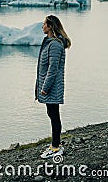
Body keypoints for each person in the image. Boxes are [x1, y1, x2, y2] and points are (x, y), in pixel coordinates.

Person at [35, 15, 71, 159]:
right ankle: (55, 144)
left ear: (50, 26)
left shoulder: (55, 45)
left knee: (54, 116)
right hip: (49, 86)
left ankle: (56, 147)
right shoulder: (50, 42)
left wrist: (45, 87)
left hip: (52, 87)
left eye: (44, 24)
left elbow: (53, 69)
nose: (42, 26)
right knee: (52, 114)